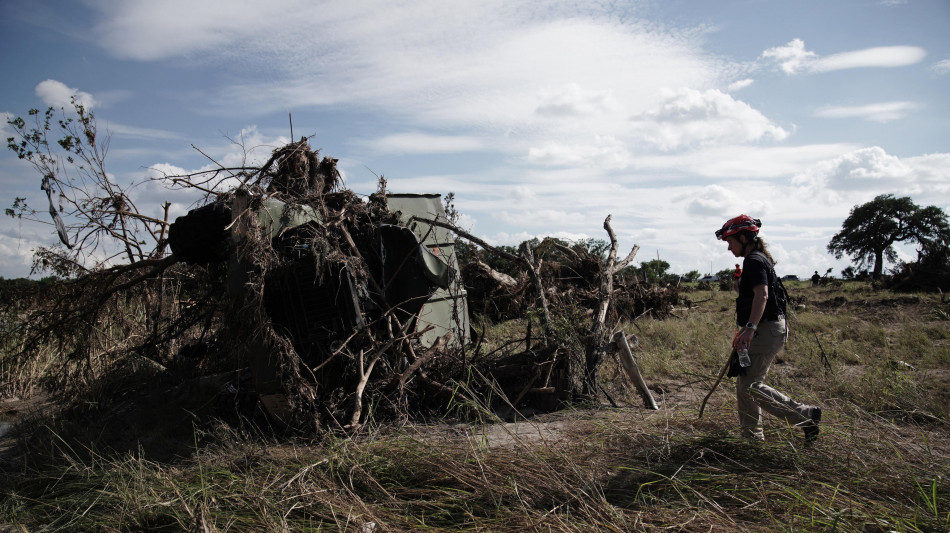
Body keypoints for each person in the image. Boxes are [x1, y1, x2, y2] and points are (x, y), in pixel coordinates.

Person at [716, 214, 822, 443]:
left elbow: (762, 295)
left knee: (751, 386)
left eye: (730, 242)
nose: (729, 248)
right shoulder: (757, 259)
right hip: (768, 329)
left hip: (765, 330)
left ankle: (805, 416)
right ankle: (752, 438)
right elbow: (756, 294)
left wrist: (750, 328)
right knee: (746, 386)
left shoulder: (754, 260)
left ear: (744, 237)